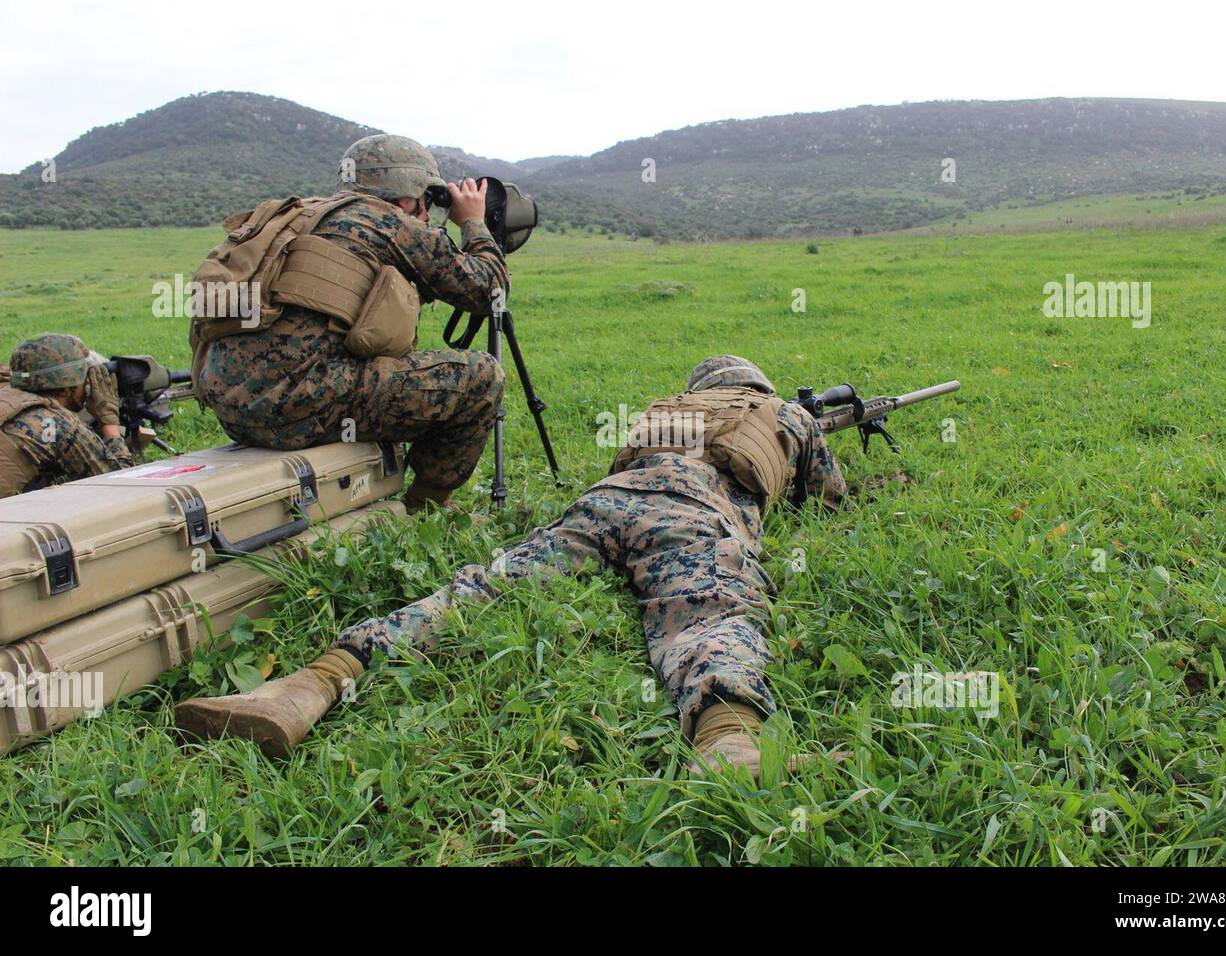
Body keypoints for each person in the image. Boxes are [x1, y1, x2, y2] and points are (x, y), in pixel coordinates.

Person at [176, 356, 848, 777]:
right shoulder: (784, 412)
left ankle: (309, 685)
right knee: (708, 612)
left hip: (602, 504)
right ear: (755, 387)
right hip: (691, 513)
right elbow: (827, 495)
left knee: (479, 589)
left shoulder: (664, 411)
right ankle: (728, 739)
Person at [190, 134, 509, 511]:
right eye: (427, 200)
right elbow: (489, 290)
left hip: (233, 412)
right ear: (409, 195)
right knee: (481, 377)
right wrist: (473, 222)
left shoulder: (299, 215)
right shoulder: (386, 221)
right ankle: (427, 510)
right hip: (294, 408)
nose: (426, 213)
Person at [0, 333, 134, 497]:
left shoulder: (6, 396)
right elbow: (120, 487)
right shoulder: (60, 425)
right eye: (85, 377)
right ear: (67, 387)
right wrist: (110, 424)